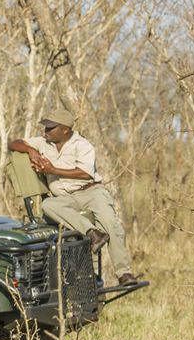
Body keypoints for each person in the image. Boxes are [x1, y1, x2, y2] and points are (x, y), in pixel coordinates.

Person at [8, 109, 135, 286]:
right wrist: (30, 150)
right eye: (45, 128)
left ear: (65, 130)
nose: (46, 132)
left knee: (111, 224)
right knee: (48, 206)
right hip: (65, 198)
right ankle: (92, 233)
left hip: (91, 192)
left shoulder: (82, 145)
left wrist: (52, 171)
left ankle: (124, 273)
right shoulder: (43, 143)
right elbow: (14, 143)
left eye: (51, 128)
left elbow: (84, 174)